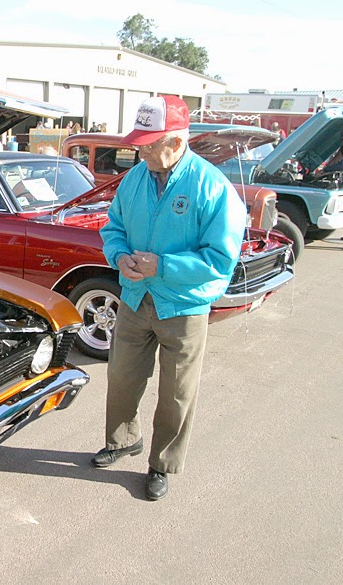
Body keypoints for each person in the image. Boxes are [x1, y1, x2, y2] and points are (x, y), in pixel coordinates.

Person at [93, 95, 246, 501]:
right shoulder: (135, 179)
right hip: (135, 298)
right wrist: (119, 255)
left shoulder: (212, 187)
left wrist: (163, 266)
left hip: (182, 306)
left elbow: (220, 259)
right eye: (139, 143)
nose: (139, 151)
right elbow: (113, 227)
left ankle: (162, 463)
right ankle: (123, 439)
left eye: (148, 144)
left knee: (177, 391)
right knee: (122, 376)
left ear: (176, 143)